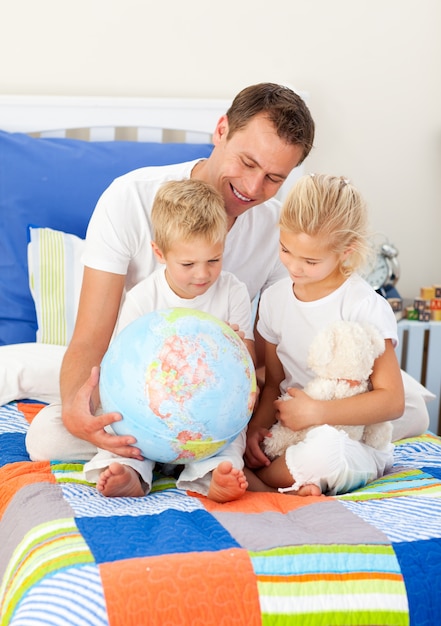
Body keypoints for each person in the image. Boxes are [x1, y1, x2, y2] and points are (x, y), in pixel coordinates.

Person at [25, 82, 315, 464]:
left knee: (384, 416)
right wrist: (78, 412)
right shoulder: (129, 199)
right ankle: (160, 458)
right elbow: (90, 339)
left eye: (275, 178)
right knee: (47, 438)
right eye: (247, 163)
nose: (252, 187)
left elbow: (265, 358)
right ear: (221, 129)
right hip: (135, 394)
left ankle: (190, 459)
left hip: (214, 403)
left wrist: (254, 417)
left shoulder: (279, 232)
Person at [31, 179, 257, 503]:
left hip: (204, 420)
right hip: (150, 414)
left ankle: (211, 476)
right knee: (100, 433)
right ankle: (131, 473)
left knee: (232, 436)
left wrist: (235, 349)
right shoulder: (143, 298)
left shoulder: (232, 291)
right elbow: (123, 365)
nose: (203, 274)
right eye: (188, 264)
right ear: (159, 253)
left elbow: (246, 369)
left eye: (214, 260)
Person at [244, 173, 405, 496]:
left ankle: (262, 486)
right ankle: (290, 482)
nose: (295, 267)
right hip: (289, 431)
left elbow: (393, 400)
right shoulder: (275, 299)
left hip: (350, 439)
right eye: (286, 250)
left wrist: (318, 413)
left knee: (328, 452)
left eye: (311, 260)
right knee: (227, 446)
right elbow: (275, 383)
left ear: (346, 251)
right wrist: (256, 431)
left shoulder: (363, 305)